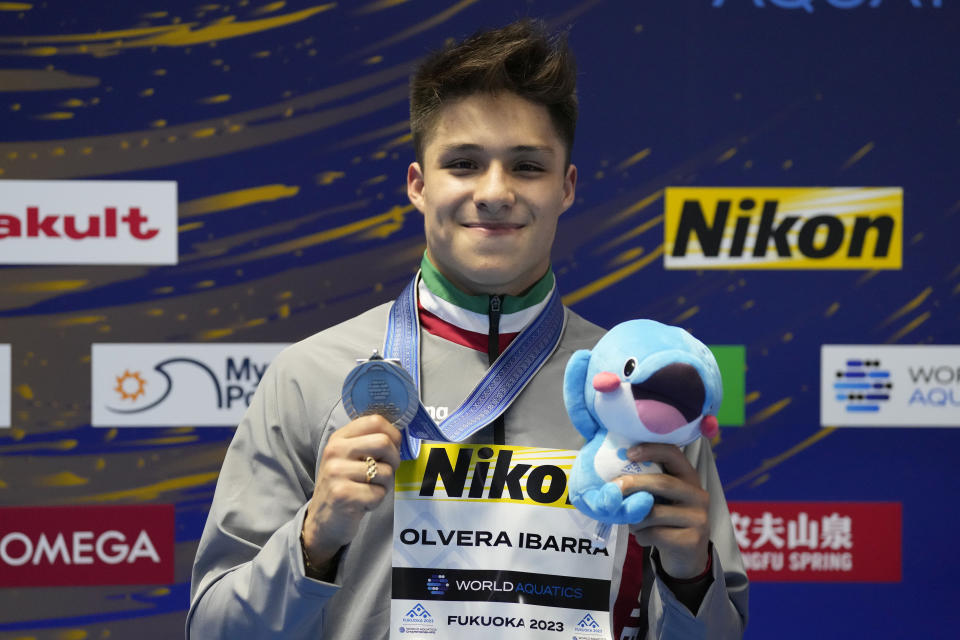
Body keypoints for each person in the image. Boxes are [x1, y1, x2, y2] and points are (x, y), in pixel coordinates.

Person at [187, 19, 748, 640]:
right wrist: (313, 540)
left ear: (566, 187)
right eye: (463, 163)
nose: (494, 192)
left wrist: (690, 576)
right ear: (418, 185)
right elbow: (213, 630)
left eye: (527, 166)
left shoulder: (641, 393)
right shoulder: (313, 377)